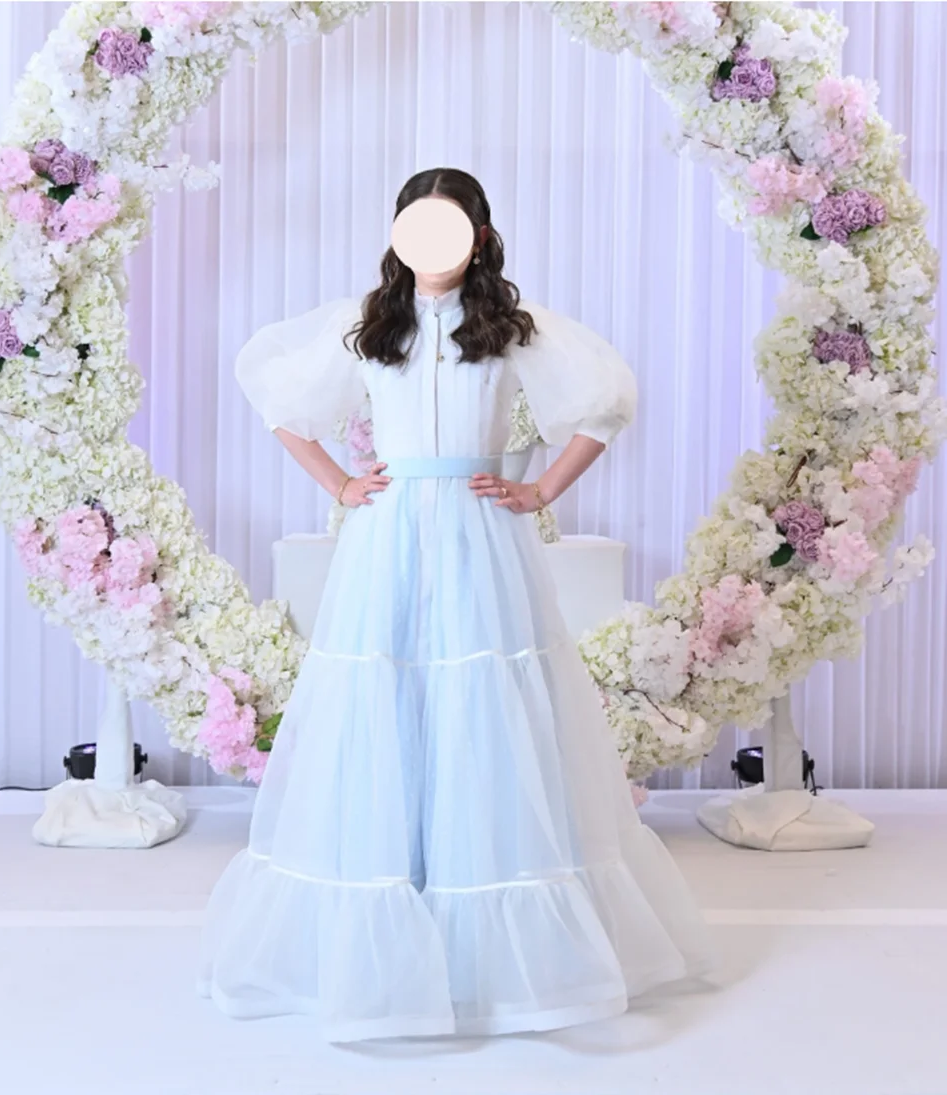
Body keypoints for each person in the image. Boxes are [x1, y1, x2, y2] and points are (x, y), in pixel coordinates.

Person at [199, 167, 716, 1043]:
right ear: (400, 232)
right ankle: (393, 906)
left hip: (480, 535)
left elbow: (604, 403)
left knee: (484, 700)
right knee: (388, 695)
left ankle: (497, 945)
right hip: (389, 533)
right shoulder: (369, 325)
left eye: (451, 227)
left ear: (477, 233)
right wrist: (339, 481)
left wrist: (541, 489)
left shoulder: (511, 330)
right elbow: (283, 405)